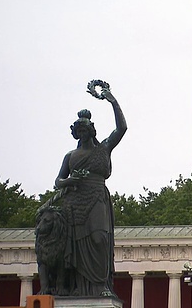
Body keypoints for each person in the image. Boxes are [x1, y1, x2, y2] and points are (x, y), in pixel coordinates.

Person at [54, 88, 127, 297]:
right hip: (74, 202)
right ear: (76, 133)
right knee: (76, 245)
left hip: (96, 198)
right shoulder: (70, 156)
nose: (82, 133)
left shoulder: (103, 148)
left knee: (99, 239)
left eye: (85, 130)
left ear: (91, 131)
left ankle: (100, 284)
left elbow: (122, 128)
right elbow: (58, 182)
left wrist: (113, 101)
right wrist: (70, 180)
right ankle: (79, 287)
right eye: (79, 131)